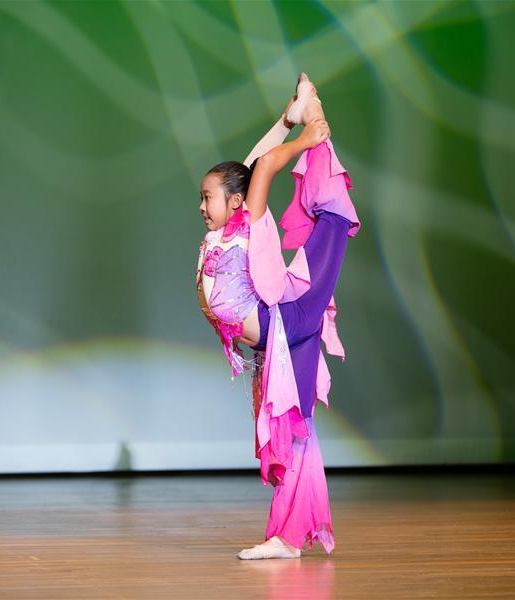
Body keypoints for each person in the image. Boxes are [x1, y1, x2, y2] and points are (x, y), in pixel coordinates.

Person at [195, 73, 360, 559]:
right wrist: (286, 118)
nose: (202, 205)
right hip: (277, 340)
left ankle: (317, 121)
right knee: (296, 429)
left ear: (236, 203)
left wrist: (309, 134)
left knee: (331, 218)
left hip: (289, 320)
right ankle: (288, 538)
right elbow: (250, 165)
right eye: (203, 197)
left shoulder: (250, 222)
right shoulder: (230, 226)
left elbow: (263, 165)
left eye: (208, 197)